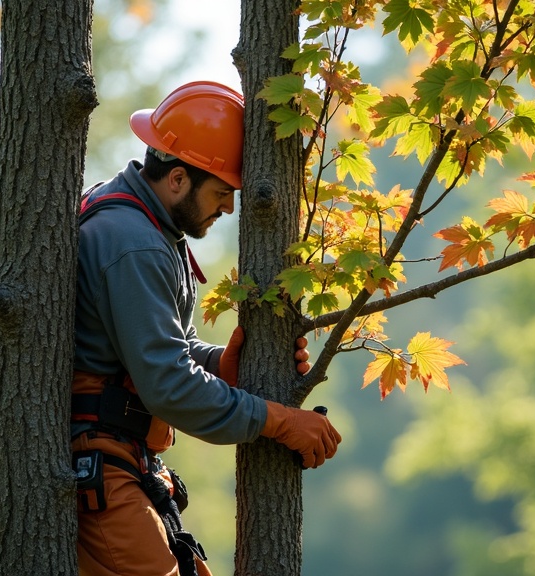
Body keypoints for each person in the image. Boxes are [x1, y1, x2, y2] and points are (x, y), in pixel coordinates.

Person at [70, 80, 342, 576]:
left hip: (120, 461)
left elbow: (157, 350)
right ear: (177, 179)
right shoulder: (136, 243)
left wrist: (220, 363)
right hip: (101, 465)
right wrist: (280, 421)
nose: (229, 207)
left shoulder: (139, 221)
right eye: (221, 191)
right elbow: (168, 385)